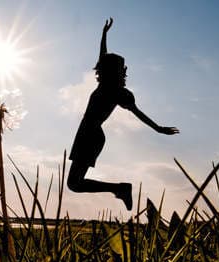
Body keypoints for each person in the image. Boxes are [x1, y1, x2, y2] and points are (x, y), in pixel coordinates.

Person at [67, 18, 179, 211]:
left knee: (74, 184)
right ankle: (120, 189)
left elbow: (138, 113)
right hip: (88, 133)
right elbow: (102, 55)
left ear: (107, 70)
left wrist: (158, 128)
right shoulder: (109, 86)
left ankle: (121, 188)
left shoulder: (116, 92)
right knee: (74, 183)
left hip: (90, 134)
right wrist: (104, 34)